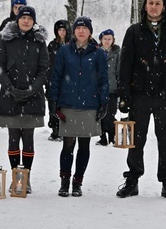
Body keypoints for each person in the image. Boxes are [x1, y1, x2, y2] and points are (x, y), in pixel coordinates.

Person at [116, 0, 166, 201]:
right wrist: (124, 94)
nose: (154, 7)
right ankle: (132, 180)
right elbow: (126, 65)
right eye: (151, 3)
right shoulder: (134, 32)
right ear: (145, 6)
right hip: (139, 94)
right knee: (135, 140)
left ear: (164, 7)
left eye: (158, 3)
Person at [49, 16, 109, 197]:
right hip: (68, 104)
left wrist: (104, 101)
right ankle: (64, 180)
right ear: (73, 31)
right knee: (68, 145)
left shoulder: (98, 53)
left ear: (90, 32)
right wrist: (53, 99)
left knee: (84, 145)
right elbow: (56, 76)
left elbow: (103, 80)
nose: (81, 31)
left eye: (85, 28)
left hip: (90, 105)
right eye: (78, 28)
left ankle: (78, 182)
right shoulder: (65, 51)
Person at [0, 6, 49, 194]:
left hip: (32, 97)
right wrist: (10, 88)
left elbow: (44, 69)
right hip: (10, 96)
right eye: (23, 17)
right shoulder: (6, 39)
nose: (26, 21)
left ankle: (25, 177)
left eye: (29, 18)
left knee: (28, 138)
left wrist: (33, 88)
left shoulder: (39, 41)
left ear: (34, 21)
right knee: (13, 138)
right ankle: (14, 176)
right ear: (17, 20)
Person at [46, 20, 71, 141]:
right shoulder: (52, 45)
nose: (62, 32)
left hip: (67, 81)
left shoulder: (71, 44)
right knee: (52, 105)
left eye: (64, 30)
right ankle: (54, 129)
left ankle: (63, 128)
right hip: (53, 79)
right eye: (59, 30)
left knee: (64, 106)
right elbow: (47, 62)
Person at [96, 29, 120, 146]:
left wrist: (119, 85)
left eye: (109, 39)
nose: (107, 41)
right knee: (100, 114)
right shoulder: (96, 52)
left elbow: (119, 70)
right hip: (98, 89)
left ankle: (112, 136)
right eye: (105, 39)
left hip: (112, 89)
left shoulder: (117, 53)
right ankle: (102, 137)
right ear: (101, 40)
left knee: (110, 114)